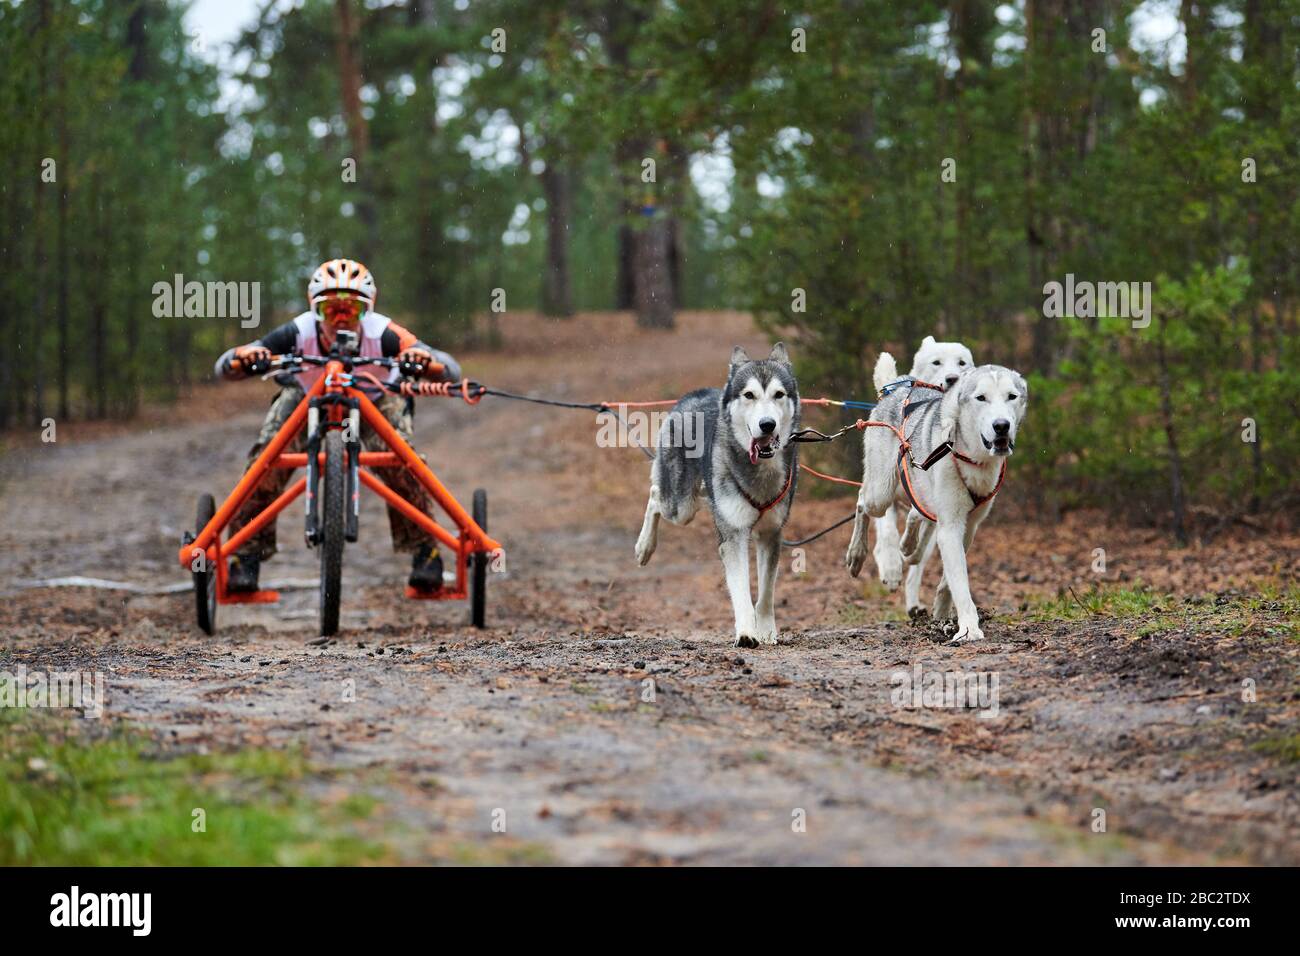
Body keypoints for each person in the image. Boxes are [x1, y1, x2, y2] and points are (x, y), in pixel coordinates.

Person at [213, 258, 461, 594]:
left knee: (403, 462)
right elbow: (229, 364)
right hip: (306, 396)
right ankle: (245, 556)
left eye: (352, 311)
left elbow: (449, 368)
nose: (341, 321)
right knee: (265, 459)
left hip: (374, 398)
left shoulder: (383, 332)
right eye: (331, 311)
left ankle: (425, 552)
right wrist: (245, 357)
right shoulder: (297, 332)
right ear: (314, 310)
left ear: (368, 311)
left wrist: (422, 361)